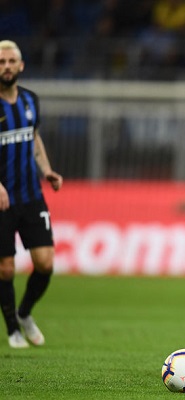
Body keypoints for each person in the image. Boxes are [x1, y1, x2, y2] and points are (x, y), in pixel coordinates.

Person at [0, 40, 62, 349]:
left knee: (45, 263)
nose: (6, 66)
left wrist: (46, 169)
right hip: (1, 202)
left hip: (31, 195)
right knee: (6, 268)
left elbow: (34, 137)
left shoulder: (30, 100)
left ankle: (24, 313)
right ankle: (12, 328)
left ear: (21, 65)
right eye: (1, 62)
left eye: (11, 61)